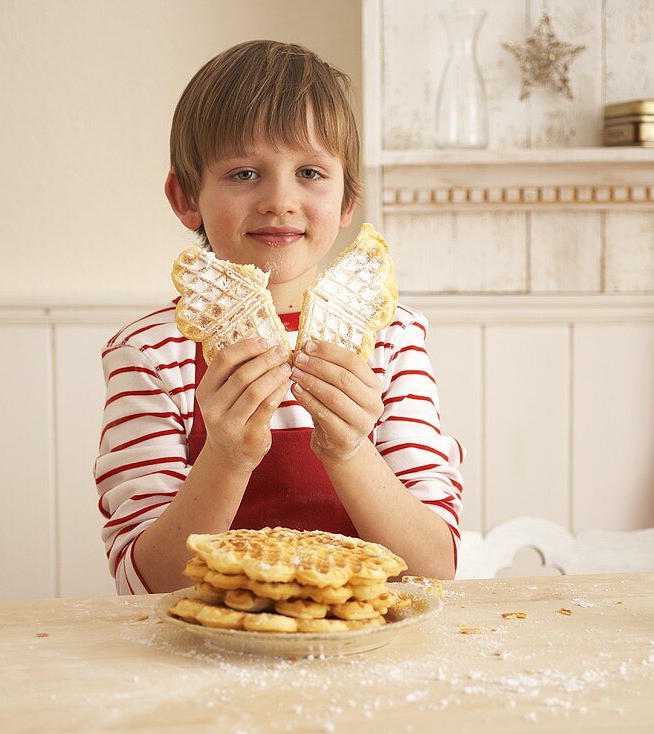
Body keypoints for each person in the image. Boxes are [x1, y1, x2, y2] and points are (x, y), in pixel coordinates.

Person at [95, 40, 463, 594]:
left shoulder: (391, 339)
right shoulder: (150, 354)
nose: (279, 199)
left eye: (311, 171)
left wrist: (347, 449)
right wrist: (226, 455)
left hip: (365, 652)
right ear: (184, 197)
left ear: (347, 203)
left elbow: (434, 568)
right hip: (206, 652)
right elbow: (144, 584)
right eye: (244, 173)